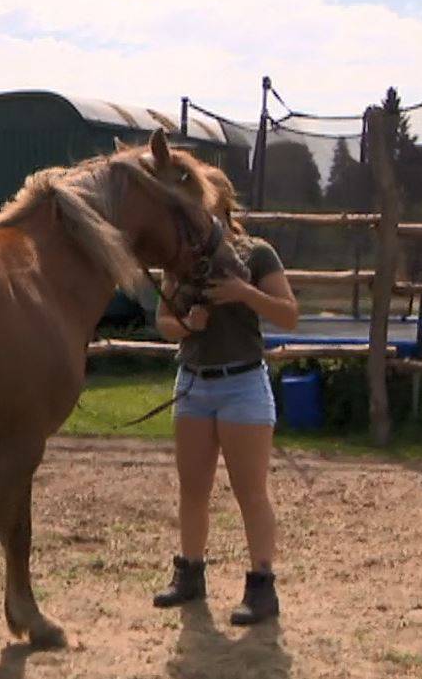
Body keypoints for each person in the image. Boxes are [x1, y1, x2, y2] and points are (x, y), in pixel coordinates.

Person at [152, 168, 299, 625]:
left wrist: (242, 292)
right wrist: (187, 327)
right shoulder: (179, 258)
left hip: (242, 384)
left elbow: (289, 315)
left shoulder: (256, 252)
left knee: (250, 491)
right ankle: (190, 574)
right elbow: (163, 321)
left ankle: (261, 586)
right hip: (194, 383)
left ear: (221, 202)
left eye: (200, 199)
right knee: (192, 488)